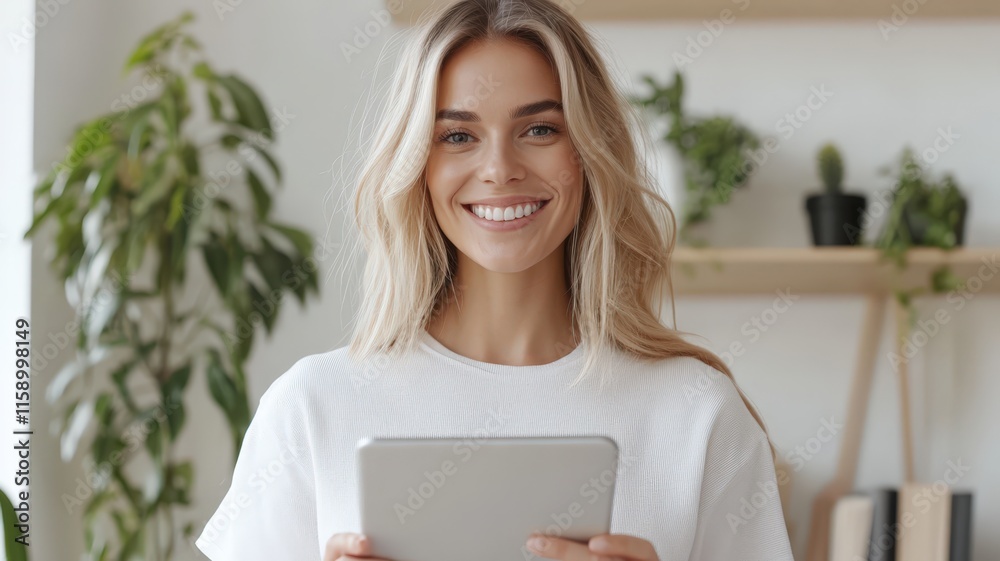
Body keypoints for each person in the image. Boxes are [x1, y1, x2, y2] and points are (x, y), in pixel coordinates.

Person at [195, 1, 795, 560]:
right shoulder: (311, 407)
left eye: (540, 130)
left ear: (591, 151)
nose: (500, 169)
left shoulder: (699, 414)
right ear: (417, 164)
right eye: (458, 136)